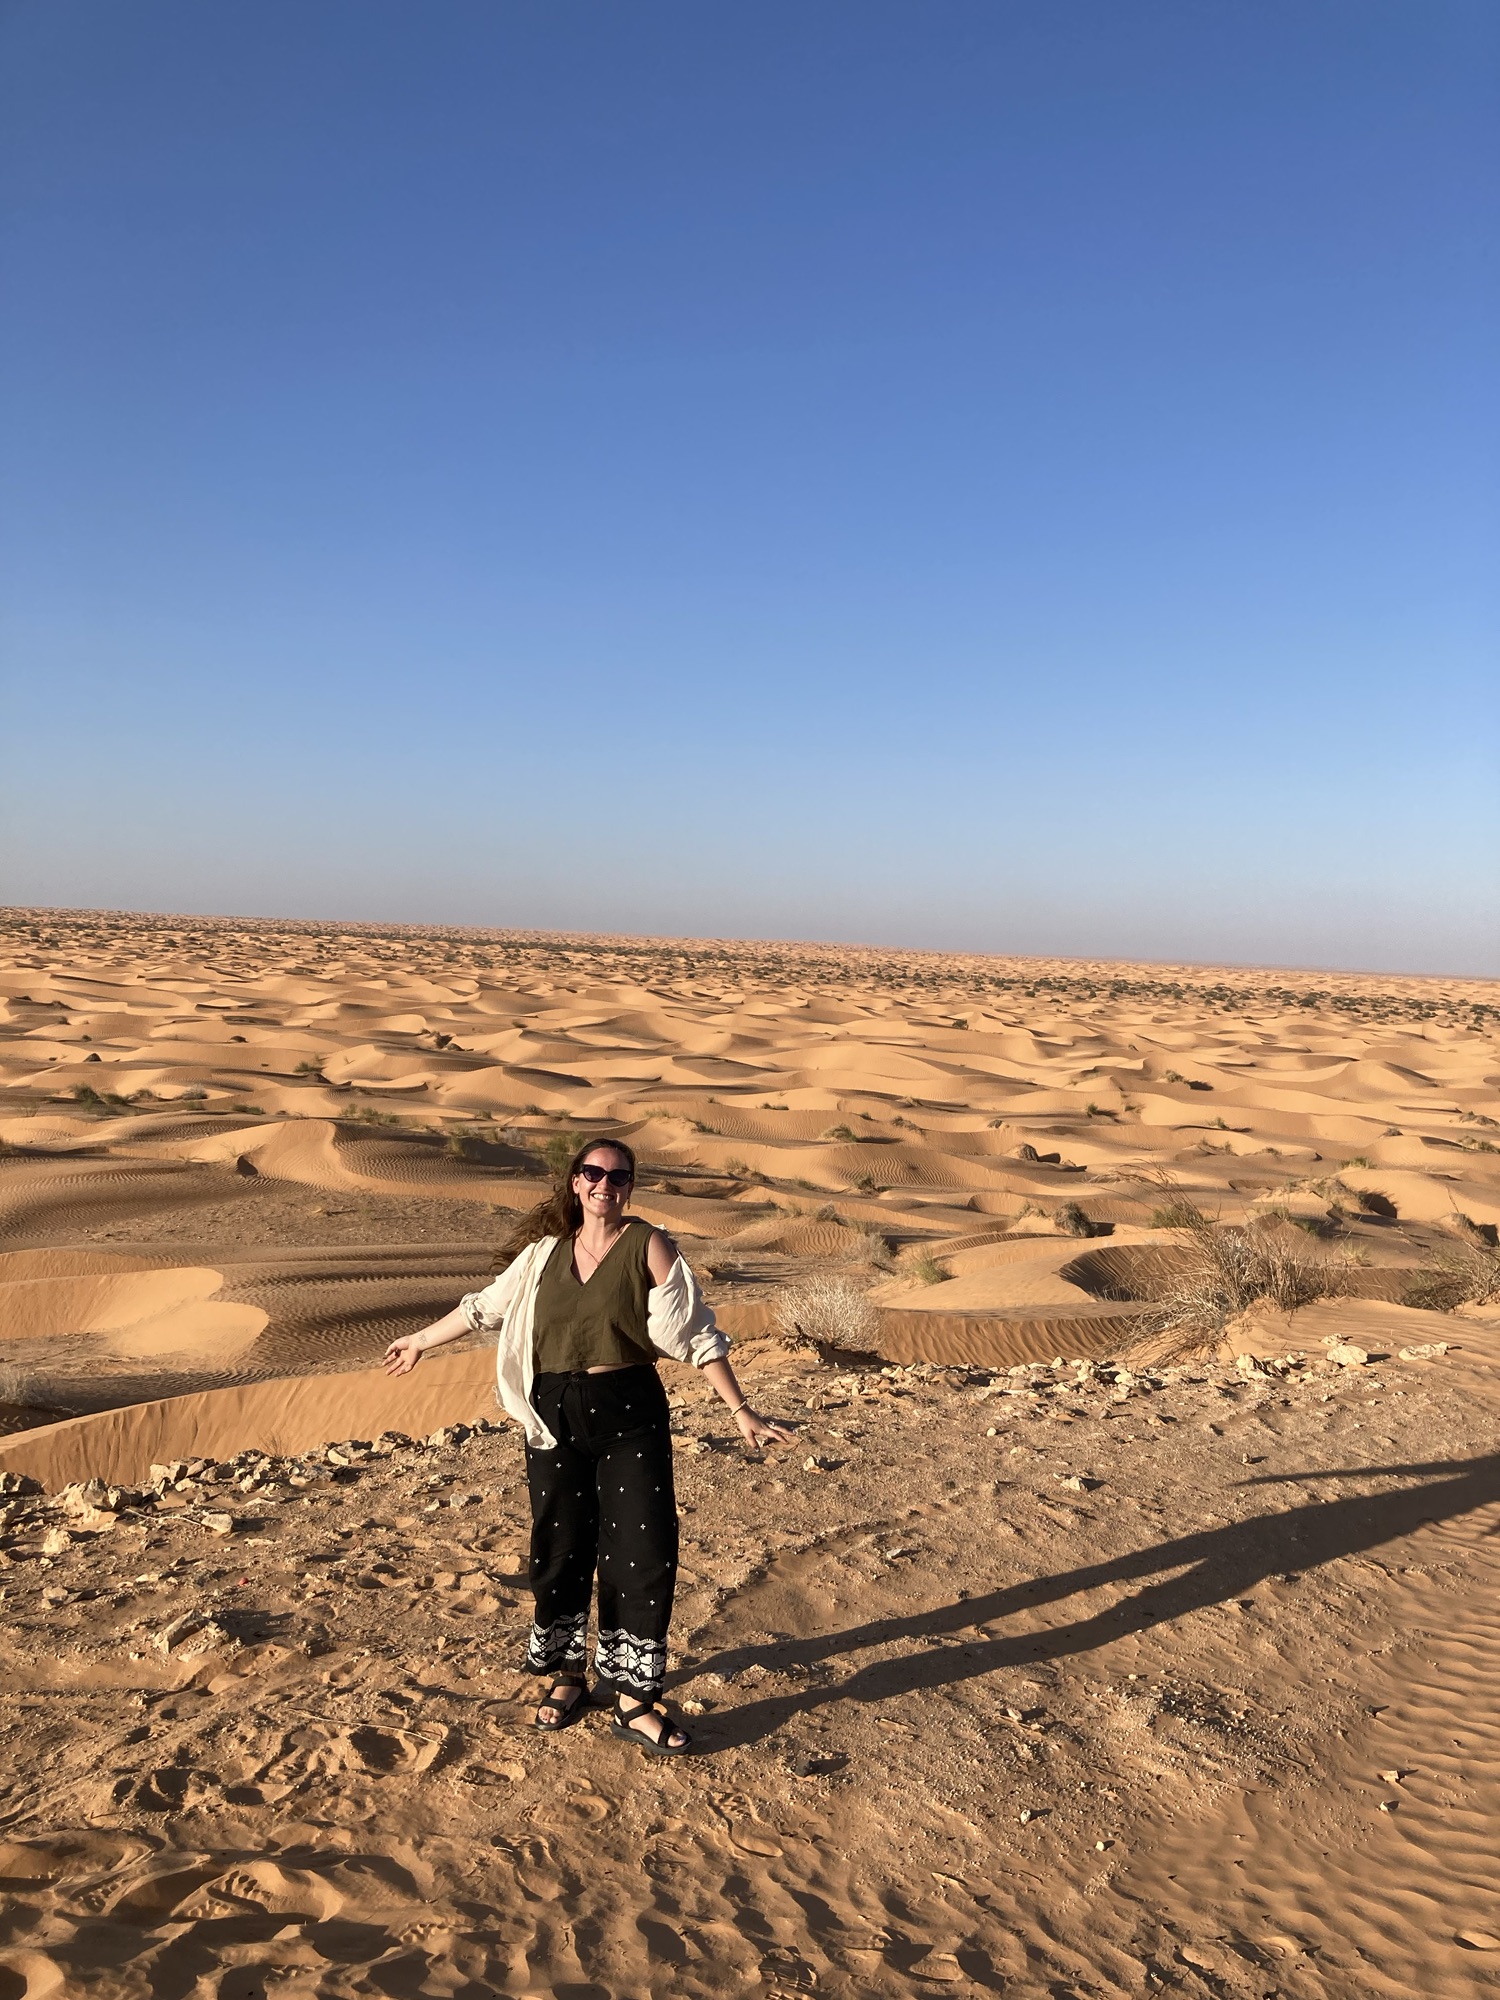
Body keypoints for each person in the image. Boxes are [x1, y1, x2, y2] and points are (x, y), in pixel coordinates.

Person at [383, 1135, 794, 1754]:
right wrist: (419, 1340)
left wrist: (740, 1410)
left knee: (641, 1549)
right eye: (595, 1173)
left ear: (630, 1186)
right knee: (561, 1545)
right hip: (551, 1415)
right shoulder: (541, 1255)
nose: (606, 1184)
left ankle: (634, 1700)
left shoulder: (648, 1245)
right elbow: (481, 1310)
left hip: (628, 1412)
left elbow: (694, 1332)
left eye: (619, 1176)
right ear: (576, 1181)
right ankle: (568, 1676)